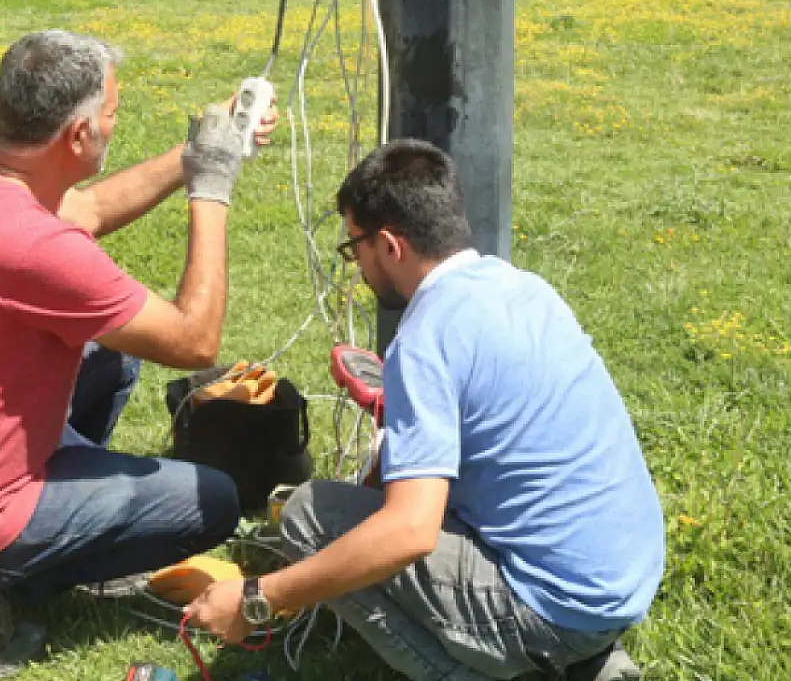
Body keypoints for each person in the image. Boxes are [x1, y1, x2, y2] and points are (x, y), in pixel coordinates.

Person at [0, 30, 276, 679]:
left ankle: (40, 528)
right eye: (112, 113)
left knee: (113, 356)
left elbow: (82, 208)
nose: (117, 124)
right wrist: (213, 187)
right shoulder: (33, 248)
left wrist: (198, 149)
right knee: (214, 501)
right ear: (78, 137)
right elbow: (195, 340)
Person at [186, 140, 665, 681]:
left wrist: (258, 598)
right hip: (624, 577)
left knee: (310, 516)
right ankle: (580, 662)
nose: (357, 265)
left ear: (390, 246)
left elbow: (410, 532)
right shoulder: (524, 289)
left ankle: (520, 666)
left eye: (355, 248)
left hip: (557, 605)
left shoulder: (424, 339)